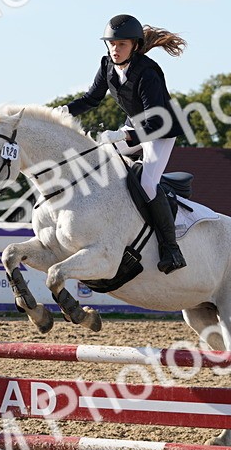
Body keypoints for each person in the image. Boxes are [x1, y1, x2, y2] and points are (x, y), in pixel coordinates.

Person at [64, 14, 188, 273]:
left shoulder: (148, 72)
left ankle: (171, 248)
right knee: (97, 162)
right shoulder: (107, 65)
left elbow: (156, 124)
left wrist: (123, 137)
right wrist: (64, 110)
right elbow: (91, 99)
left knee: (147, 184)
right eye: (111, 44)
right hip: (134, 126)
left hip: (161, 131)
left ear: (134, 45)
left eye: (121, 44)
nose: (115, 49)